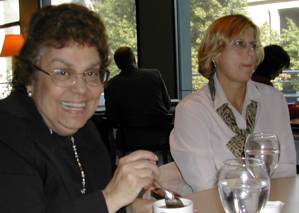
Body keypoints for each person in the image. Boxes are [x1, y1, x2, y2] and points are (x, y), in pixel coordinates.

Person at [0, 4, 159, 213]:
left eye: (91, 73)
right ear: (30, 77)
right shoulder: (7, 132)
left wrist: (141, 206)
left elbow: (93, 199)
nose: (81, 90)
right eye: (63, 72)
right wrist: (111, 198)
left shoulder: (86, 131)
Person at [170, 14, 297, 192]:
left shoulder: (274, 100)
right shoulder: (192, 110)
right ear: (214, 53)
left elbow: (286, 171)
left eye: (253, 45)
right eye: (239, 44)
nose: (251, 52)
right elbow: (205, 185)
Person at [104, 46, 171, 148]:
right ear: (134, 59)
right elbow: (167, 104)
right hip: (160, 136)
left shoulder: (112, 84)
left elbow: (112, 117)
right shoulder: (154, 75)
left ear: (118, 65)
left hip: (130, 139)